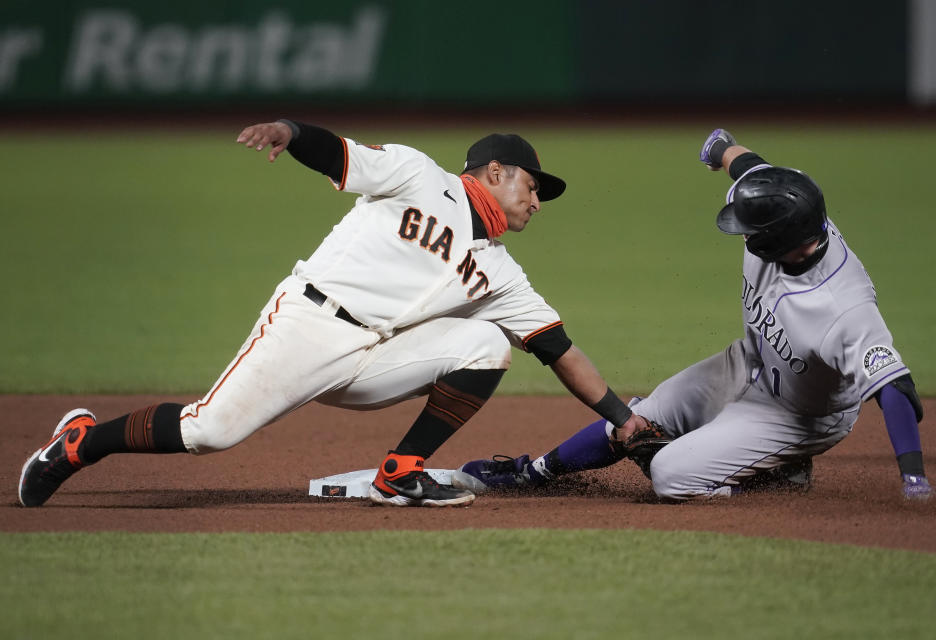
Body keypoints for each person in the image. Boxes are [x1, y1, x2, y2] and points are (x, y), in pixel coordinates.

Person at [18, 120, 649, 509]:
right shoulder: (418, 175)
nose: (537, 201)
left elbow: (560, 349)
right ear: (493, 170)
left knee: (488, 344)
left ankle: (400, 473)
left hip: (375, 359)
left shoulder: (504, 274)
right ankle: (79, 443)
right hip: (312, 322)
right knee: (207, 432)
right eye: (532, 187)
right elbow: (340, 155)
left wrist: (624, 420)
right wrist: (292, 131)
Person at [454, 129, 934, 502]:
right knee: (640, 418)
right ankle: (536, 472)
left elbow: (895, 389)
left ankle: (775, 478)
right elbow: (748, 167)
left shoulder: (845, 309)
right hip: (748, 361)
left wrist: (914, 478)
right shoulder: (784, 202)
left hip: (801, 414)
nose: (742, 234)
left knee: (670, 475)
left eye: (751, 231)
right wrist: (721, 147)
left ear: (781, 239)